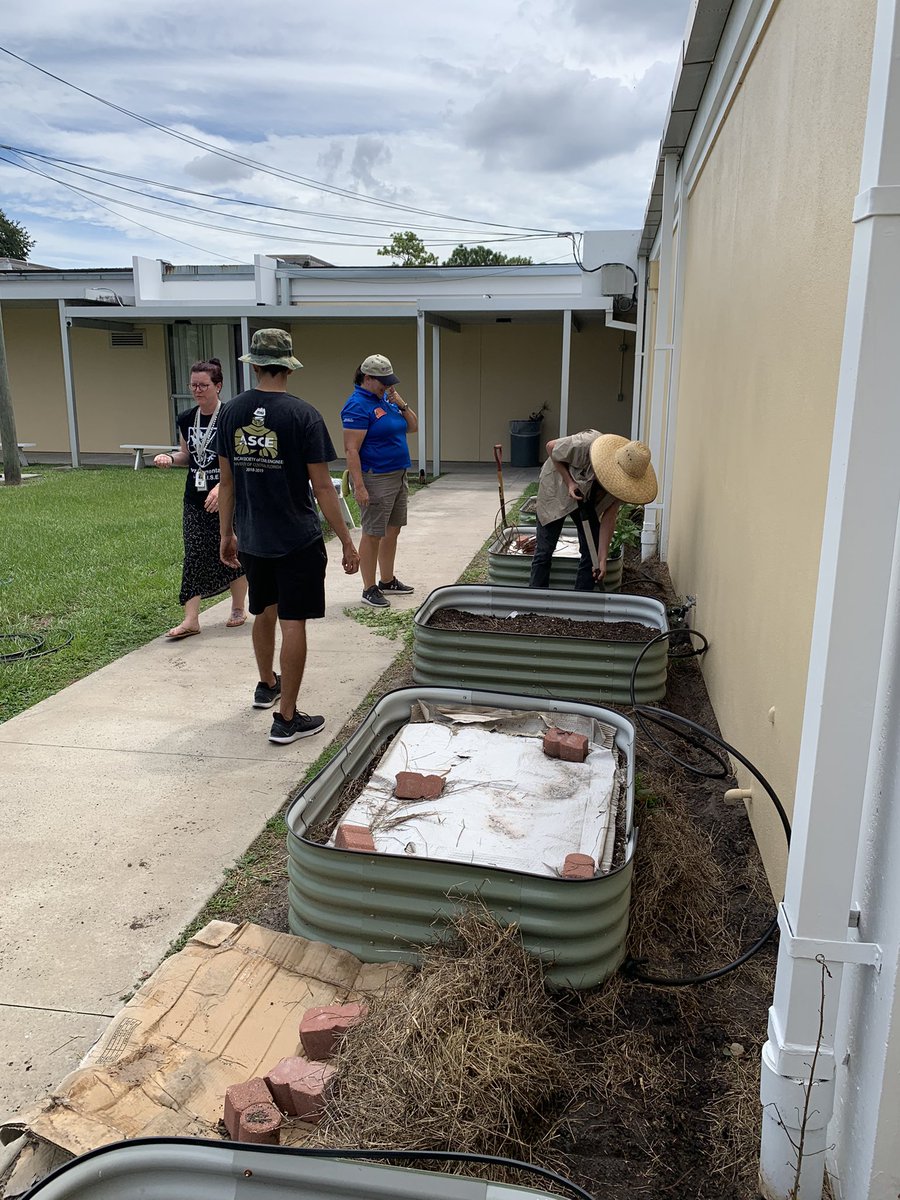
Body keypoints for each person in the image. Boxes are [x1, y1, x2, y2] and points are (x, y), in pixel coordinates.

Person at [217, 328, 360, 745]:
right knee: (292, 621)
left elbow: (226, 482)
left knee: (263, 610)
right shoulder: (303, 416)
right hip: (296, 538)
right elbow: (323, 487)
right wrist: (347, 542)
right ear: (288, 367)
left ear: (256, 364)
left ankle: (267, 685)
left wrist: (227, 534)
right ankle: (287, 718)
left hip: (253, 538)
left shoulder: (230, 412)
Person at [153, 358, 247, 640]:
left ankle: (238, 608)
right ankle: (191, 618)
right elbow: (187, 455)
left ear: (218, 386)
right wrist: (170, 458)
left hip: (228, 496)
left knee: (232, 551)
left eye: (203, 385)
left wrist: (222, 487)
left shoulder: (232, 416)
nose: (198, 390)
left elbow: (241, 460)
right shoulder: (186, 418)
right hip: (195, 497)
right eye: (193, 385)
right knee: (193, 554)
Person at [528, 431, 657, 591]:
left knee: (592, 553)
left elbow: (609, 519)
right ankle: (535, 599)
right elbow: (550, 447)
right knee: (544, 550)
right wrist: (570, 482)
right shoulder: (586, 444)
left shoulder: (621, 487)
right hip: (557, 487)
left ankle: (582, 602)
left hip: (586, 498)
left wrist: (602, 559)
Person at [341, 354, 418, 608]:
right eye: (382, 381)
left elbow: (413, 426)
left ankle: (387, 580)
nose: (386, 385)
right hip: (376, 477)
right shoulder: (357, 405)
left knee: (393, 529)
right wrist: (359, 486)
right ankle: (368, 588)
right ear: (368, 378)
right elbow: (351, 450)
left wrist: (400, 401)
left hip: (398, 473)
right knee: (373, 533)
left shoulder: (385, 399)